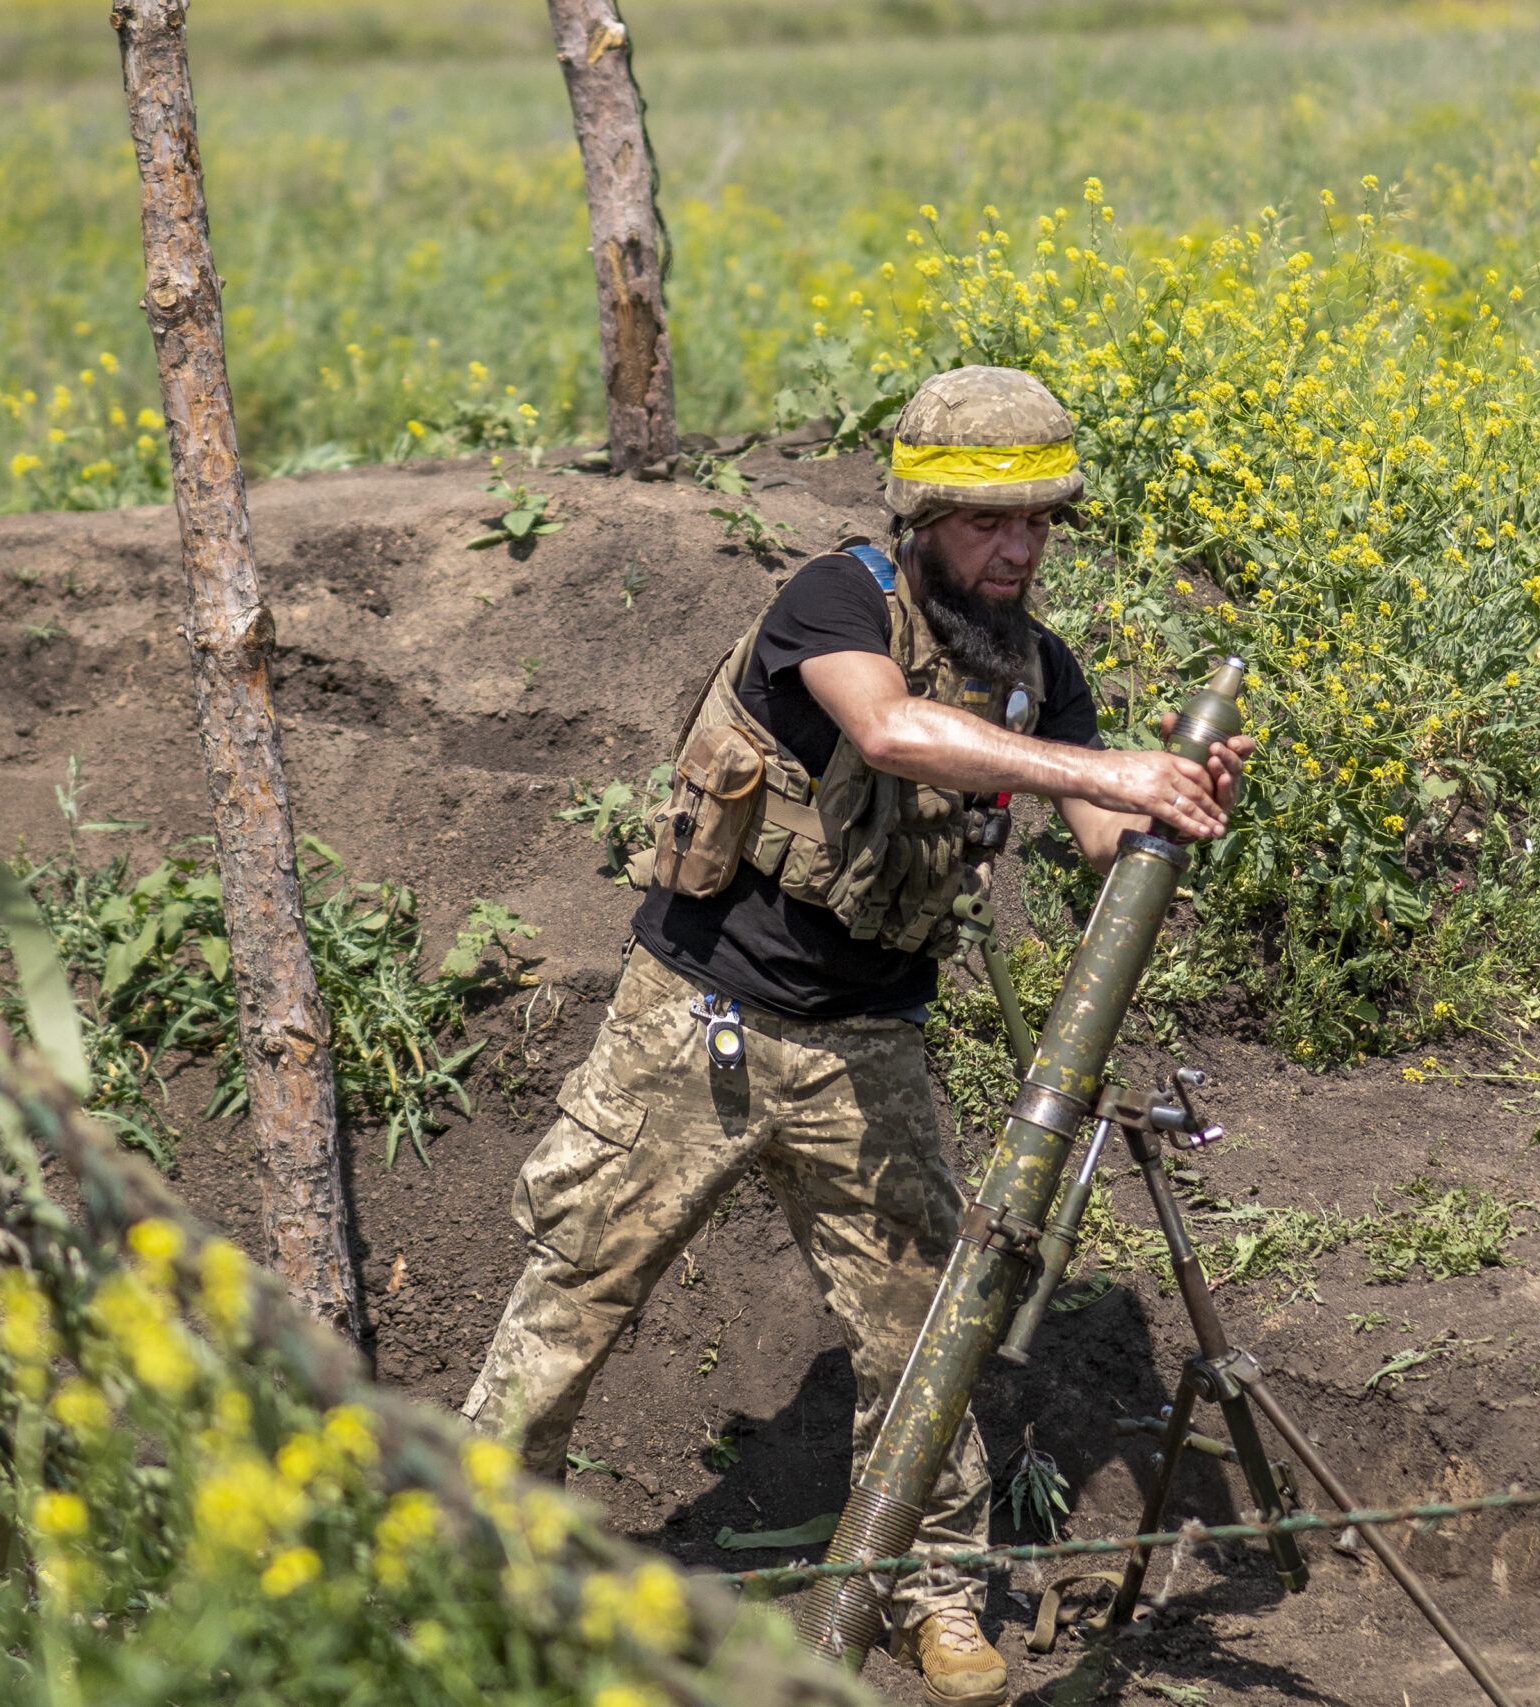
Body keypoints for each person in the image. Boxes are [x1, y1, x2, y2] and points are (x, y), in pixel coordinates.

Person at [463, 367, 1248, 1706]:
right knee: (571, 1299)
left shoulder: (1036, 672)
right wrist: (1107, 767)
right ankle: (458, 1570)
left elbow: (1106, 843)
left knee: (924, 1334)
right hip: (694, 1023)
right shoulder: (833, 598)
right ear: (923, 512)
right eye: (990, 524)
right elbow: (886, 731)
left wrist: (1170, 813)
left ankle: (930, 1590)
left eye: (1040, 525)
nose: (1017, 551)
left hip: (870, 1043)